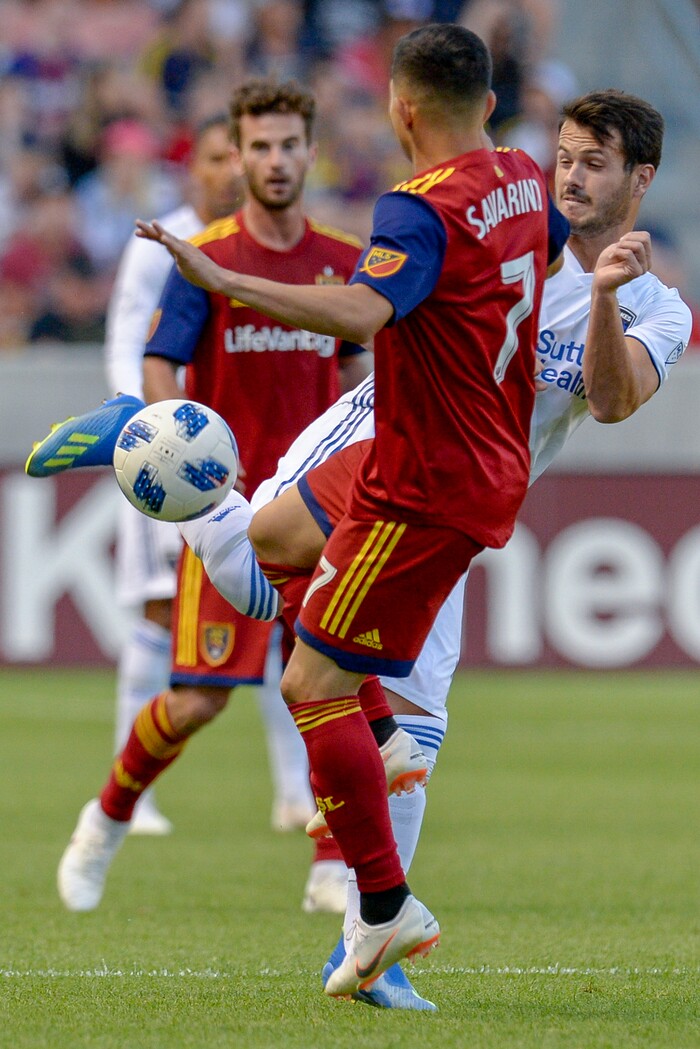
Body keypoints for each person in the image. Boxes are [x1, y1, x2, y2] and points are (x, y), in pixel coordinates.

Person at [27, 83, 688, 1009]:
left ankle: (375, 946)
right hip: (378, 448)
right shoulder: (505, 224)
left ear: (640, 179)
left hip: (457, 509)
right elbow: (386, 288)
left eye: (596, 164)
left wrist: (609, 299)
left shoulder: (658, 306)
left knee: (411, 736)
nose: (571, 177)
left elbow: (615, 401)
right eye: (566, 157)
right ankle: (143, 434)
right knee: (258, 583)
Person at [134, 23, 566, 998]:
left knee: (308, 680)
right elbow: (547, 246)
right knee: (271, 533)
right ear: (487, 106)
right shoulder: (522, 176)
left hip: (427, 479)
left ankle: (380, 905)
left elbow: (361, 316)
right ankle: (383, 739)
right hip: (440, 449)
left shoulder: (414, 209)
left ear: (399, 111)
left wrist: (227, 279)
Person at [39, 78, 373, 919]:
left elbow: (358, 371)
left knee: (339, 686)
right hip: (229, 514)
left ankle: (333, 862)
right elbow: (161, 364)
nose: (273, 160)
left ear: (310, 151)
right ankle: (106, 818)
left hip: (320, 512)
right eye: (257, 146)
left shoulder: (342, 261)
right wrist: (169, 455)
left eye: (288, 144)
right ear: (238, 153)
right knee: (196, 698)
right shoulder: (205, 260)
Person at [104, 113, 242, 834]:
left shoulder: (257, 245)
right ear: (197, 167)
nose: (233, 170)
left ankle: (292, 791)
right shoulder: (162, 240)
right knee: (162, 609)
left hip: (248, 453)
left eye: (239, 155)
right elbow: (129, 341)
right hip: (169, 454)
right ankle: (137, 792)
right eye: (218, 156)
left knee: (287, 620)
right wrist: (149, 430)